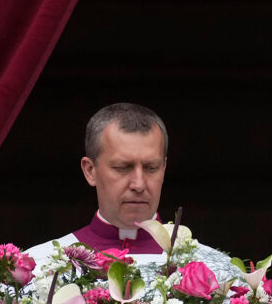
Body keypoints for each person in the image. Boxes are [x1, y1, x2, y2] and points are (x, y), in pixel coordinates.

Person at [26, 103, 238, 281]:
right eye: (122, 168)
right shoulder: (39, 268)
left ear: (164, 169)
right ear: (90, 171)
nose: (138, 184)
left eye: (151, 168)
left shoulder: (218, 272)